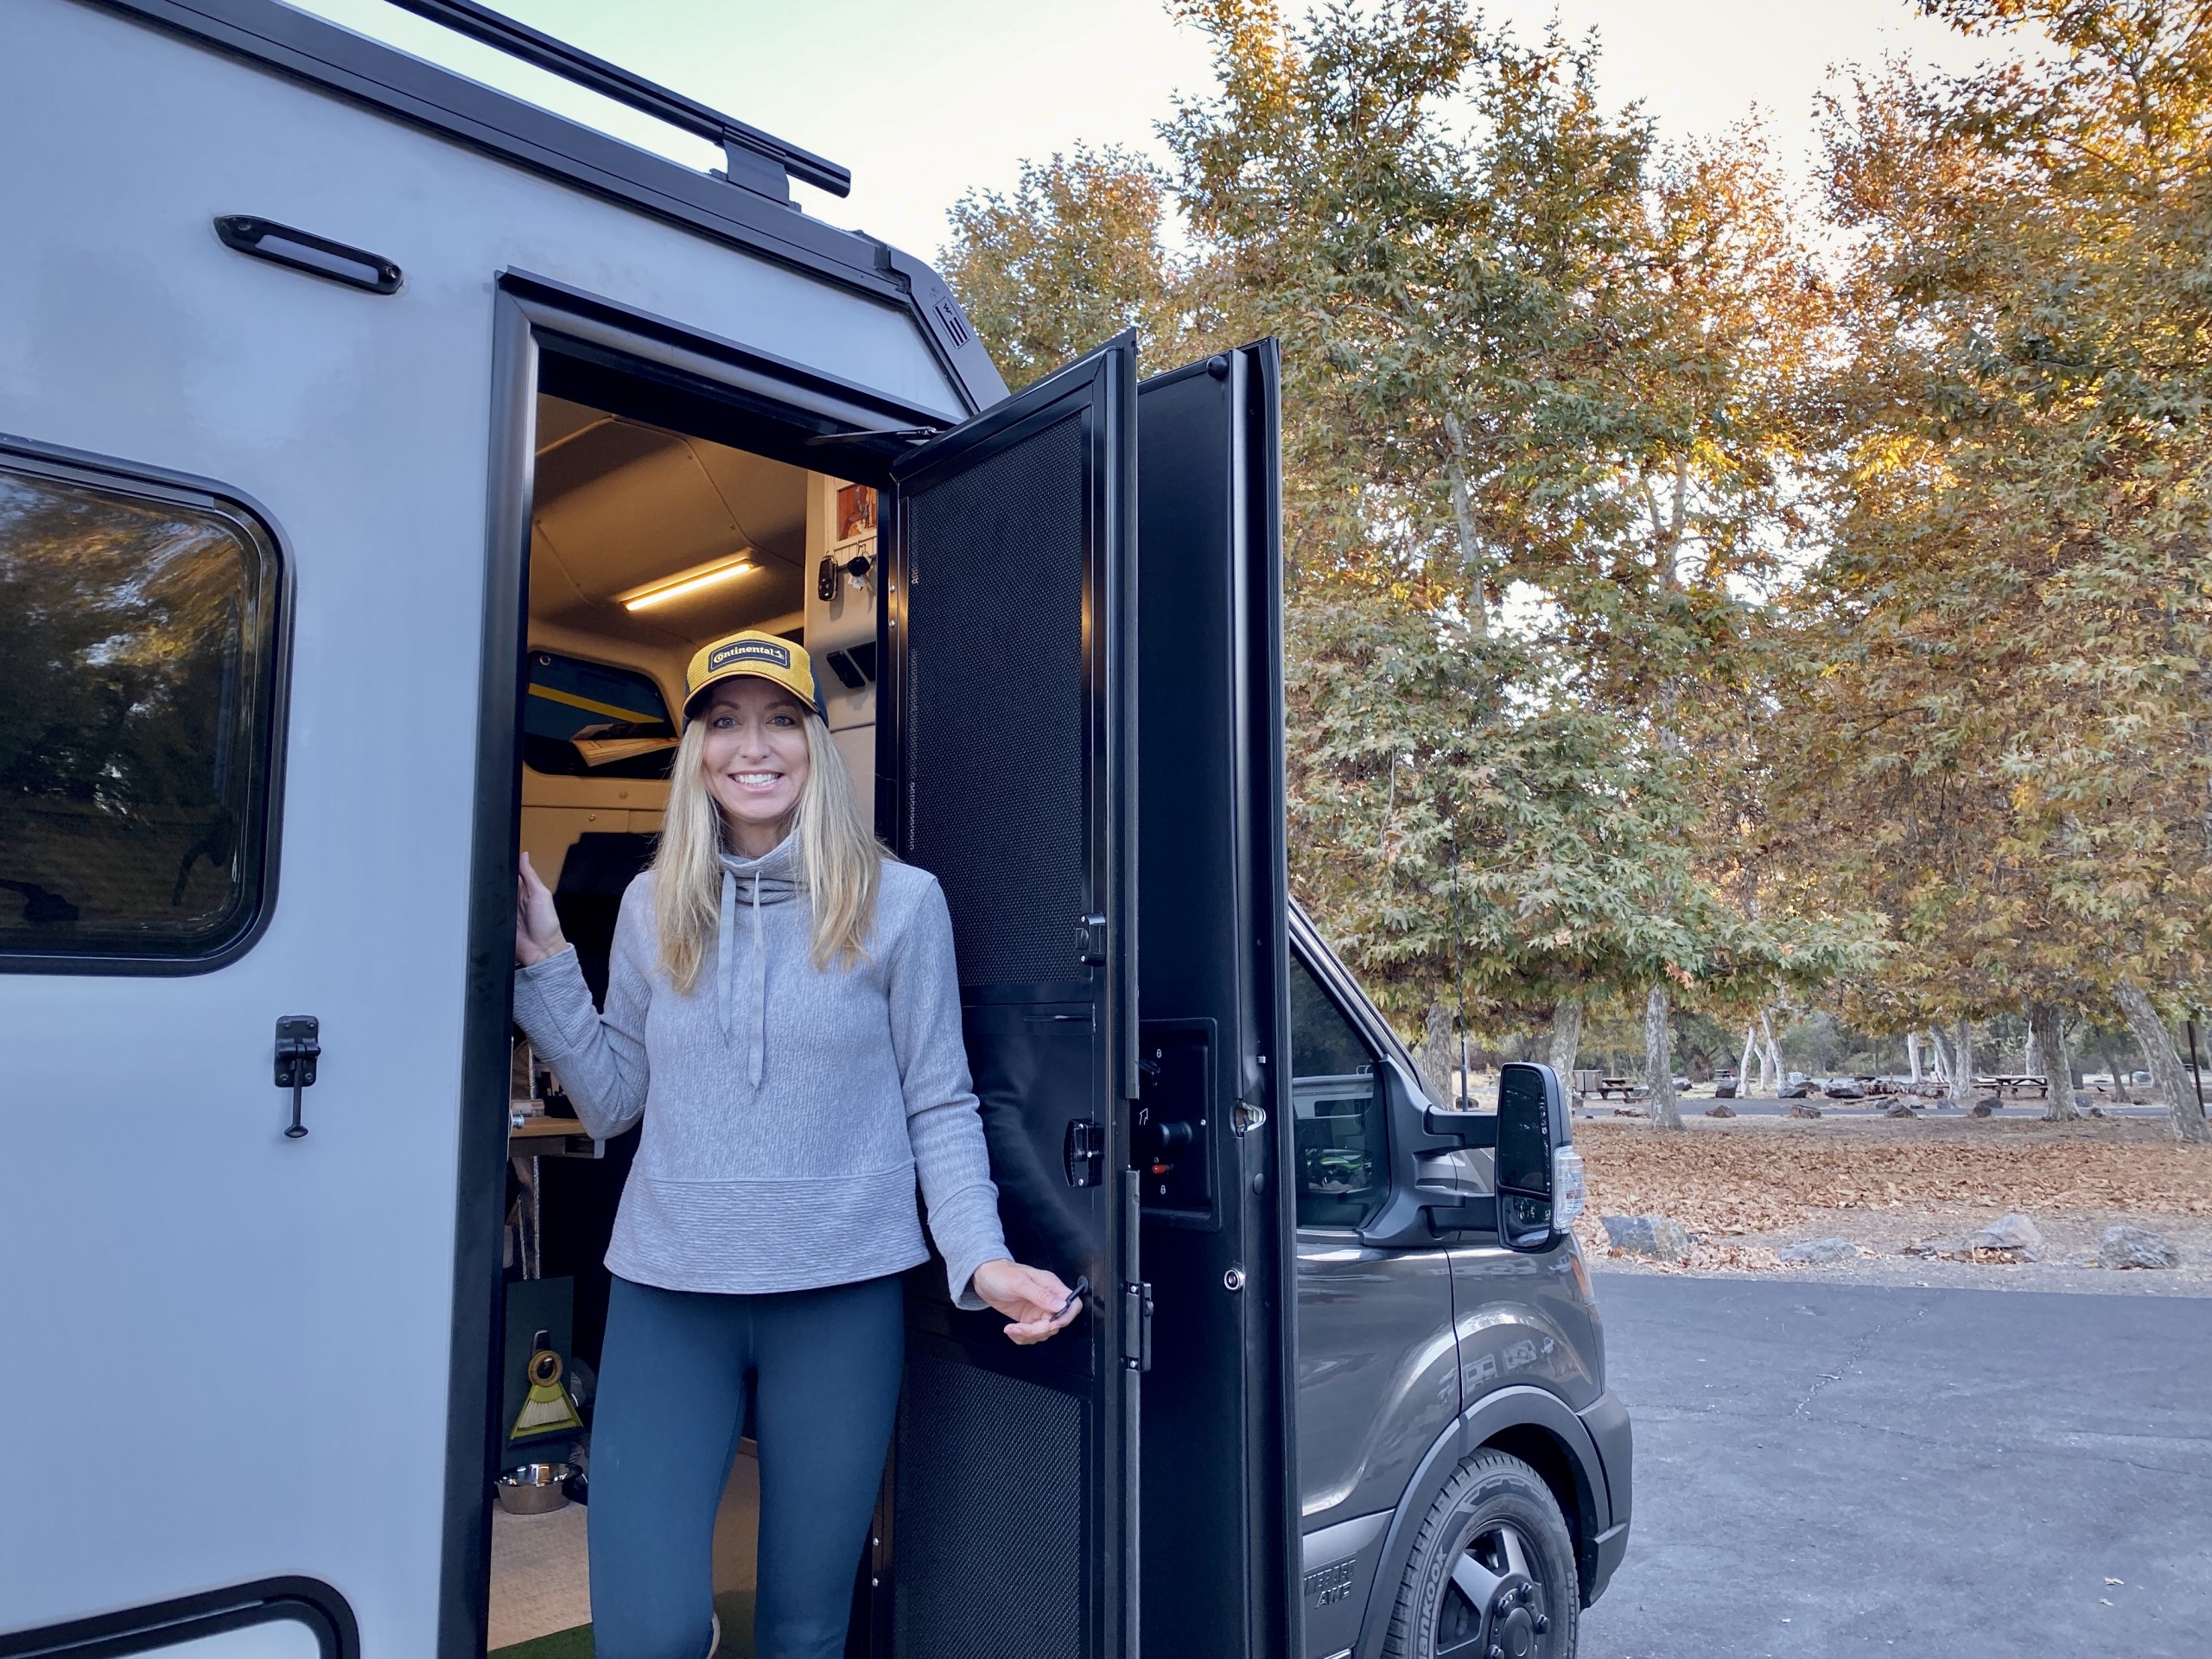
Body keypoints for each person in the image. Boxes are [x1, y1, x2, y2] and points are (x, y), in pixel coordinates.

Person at [512, 628, 1078, 1659]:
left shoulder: (900, 903)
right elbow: (610, 1102)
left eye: (779, 719)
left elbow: (939, 1103)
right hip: (668, 1293)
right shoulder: (652, 904)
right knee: (651, 1630)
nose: (752, 746)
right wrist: (548, 963)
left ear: (816, 742)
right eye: (723, 723)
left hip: (841, 1293)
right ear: (696, 754)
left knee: (806, 1627)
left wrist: (980, 1258)